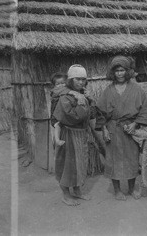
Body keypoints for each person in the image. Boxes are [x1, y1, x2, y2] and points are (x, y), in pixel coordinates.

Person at [96, 56, 147, 201]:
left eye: (122, 70)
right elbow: (100, 113)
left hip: (130, 130)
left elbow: (144, 110)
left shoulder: (137, 90)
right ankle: (117, 190)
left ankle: (132, 188)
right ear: (113, 73)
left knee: (131, 159)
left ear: (128, 71)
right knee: (114, 160)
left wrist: (135, 124)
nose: (120, 73)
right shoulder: (108, 91)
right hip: (113, 129)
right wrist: (104, 129)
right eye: (117, 71)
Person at [52, 65, 93, 206]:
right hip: (68, 134)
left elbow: (92, 114)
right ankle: (66, 195)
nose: (81, 82)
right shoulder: (65, 96)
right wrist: (82, 104)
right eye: (77, 79)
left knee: (79, 165)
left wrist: (89, 100)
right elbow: (73, 117)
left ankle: (77, 191)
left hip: (81, 135)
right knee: (67, 166)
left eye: (83, 79)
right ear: (70, 80)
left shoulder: (81, 94)